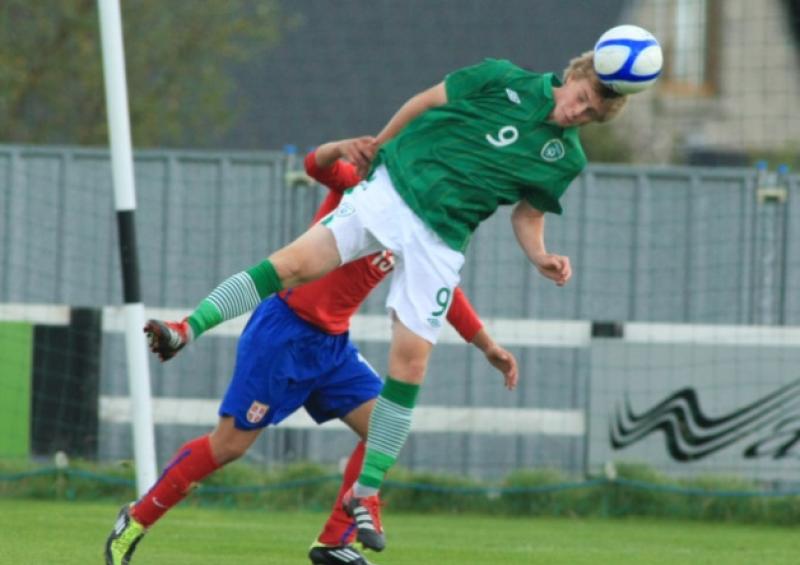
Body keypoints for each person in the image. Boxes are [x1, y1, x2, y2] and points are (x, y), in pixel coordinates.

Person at [133, 50, 628, 553]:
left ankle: (357, 507)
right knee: (289, 277)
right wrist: (370, 147)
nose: (578, 114)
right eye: (582, 100)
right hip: (294, 320)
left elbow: (527, 216)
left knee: (410, 368)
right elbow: (356, 140)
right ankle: (187, 329)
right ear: (575, 77)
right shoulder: (495, 83)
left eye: (591, 115)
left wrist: (536, 262)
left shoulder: (566, 158)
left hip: (400, 280)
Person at [104, 138, 519, 565]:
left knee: (383, 432)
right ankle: (135, 518)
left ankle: (332, 543)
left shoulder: (419, 224)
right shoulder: (366, 185)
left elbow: (444, 291)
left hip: (333, 347)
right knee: (228, 447)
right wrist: (342, 146)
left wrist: (487, 345)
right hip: (281, 336)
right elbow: (316, 166)